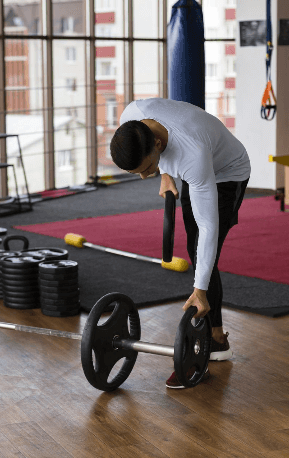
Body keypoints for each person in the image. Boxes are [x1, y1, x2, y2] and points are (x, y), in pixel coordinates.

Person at [109, 98, 251, 388]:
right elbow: (159, 150)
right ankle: (214, 330)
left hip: (227, 172)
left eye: (146, 168)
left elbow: (209, 227)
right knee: (195, 250)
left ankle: (215, 339)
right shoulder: (132, 117)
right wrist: (164, 173)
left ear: (158, 146)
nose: (143, 176)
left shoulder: (192, 156)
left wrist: (199, 291)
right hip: (189, 163)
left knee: (203, 250)